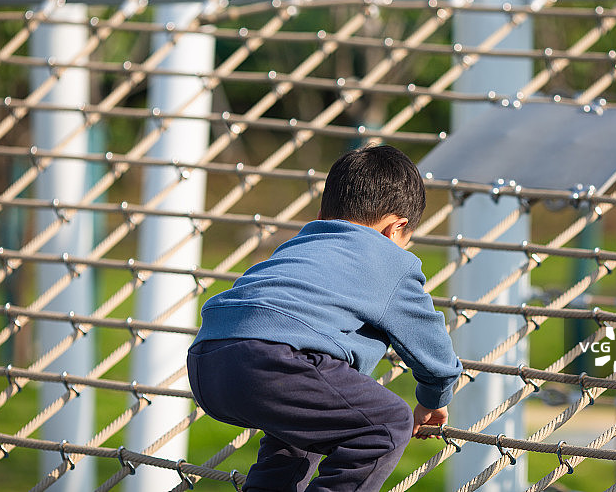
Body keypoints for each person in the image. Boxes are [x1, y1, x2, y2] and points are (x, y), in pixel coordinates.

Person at [187, 144, 463, 491]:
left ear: (322, 212)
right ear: (395, 228)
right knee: (386, 424)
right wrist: (434, 398)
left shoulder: (299, 244)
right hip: (277, 358)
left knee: (297, 442)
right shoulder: (390, 260)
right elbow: (430, 345)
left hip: (207, 363)